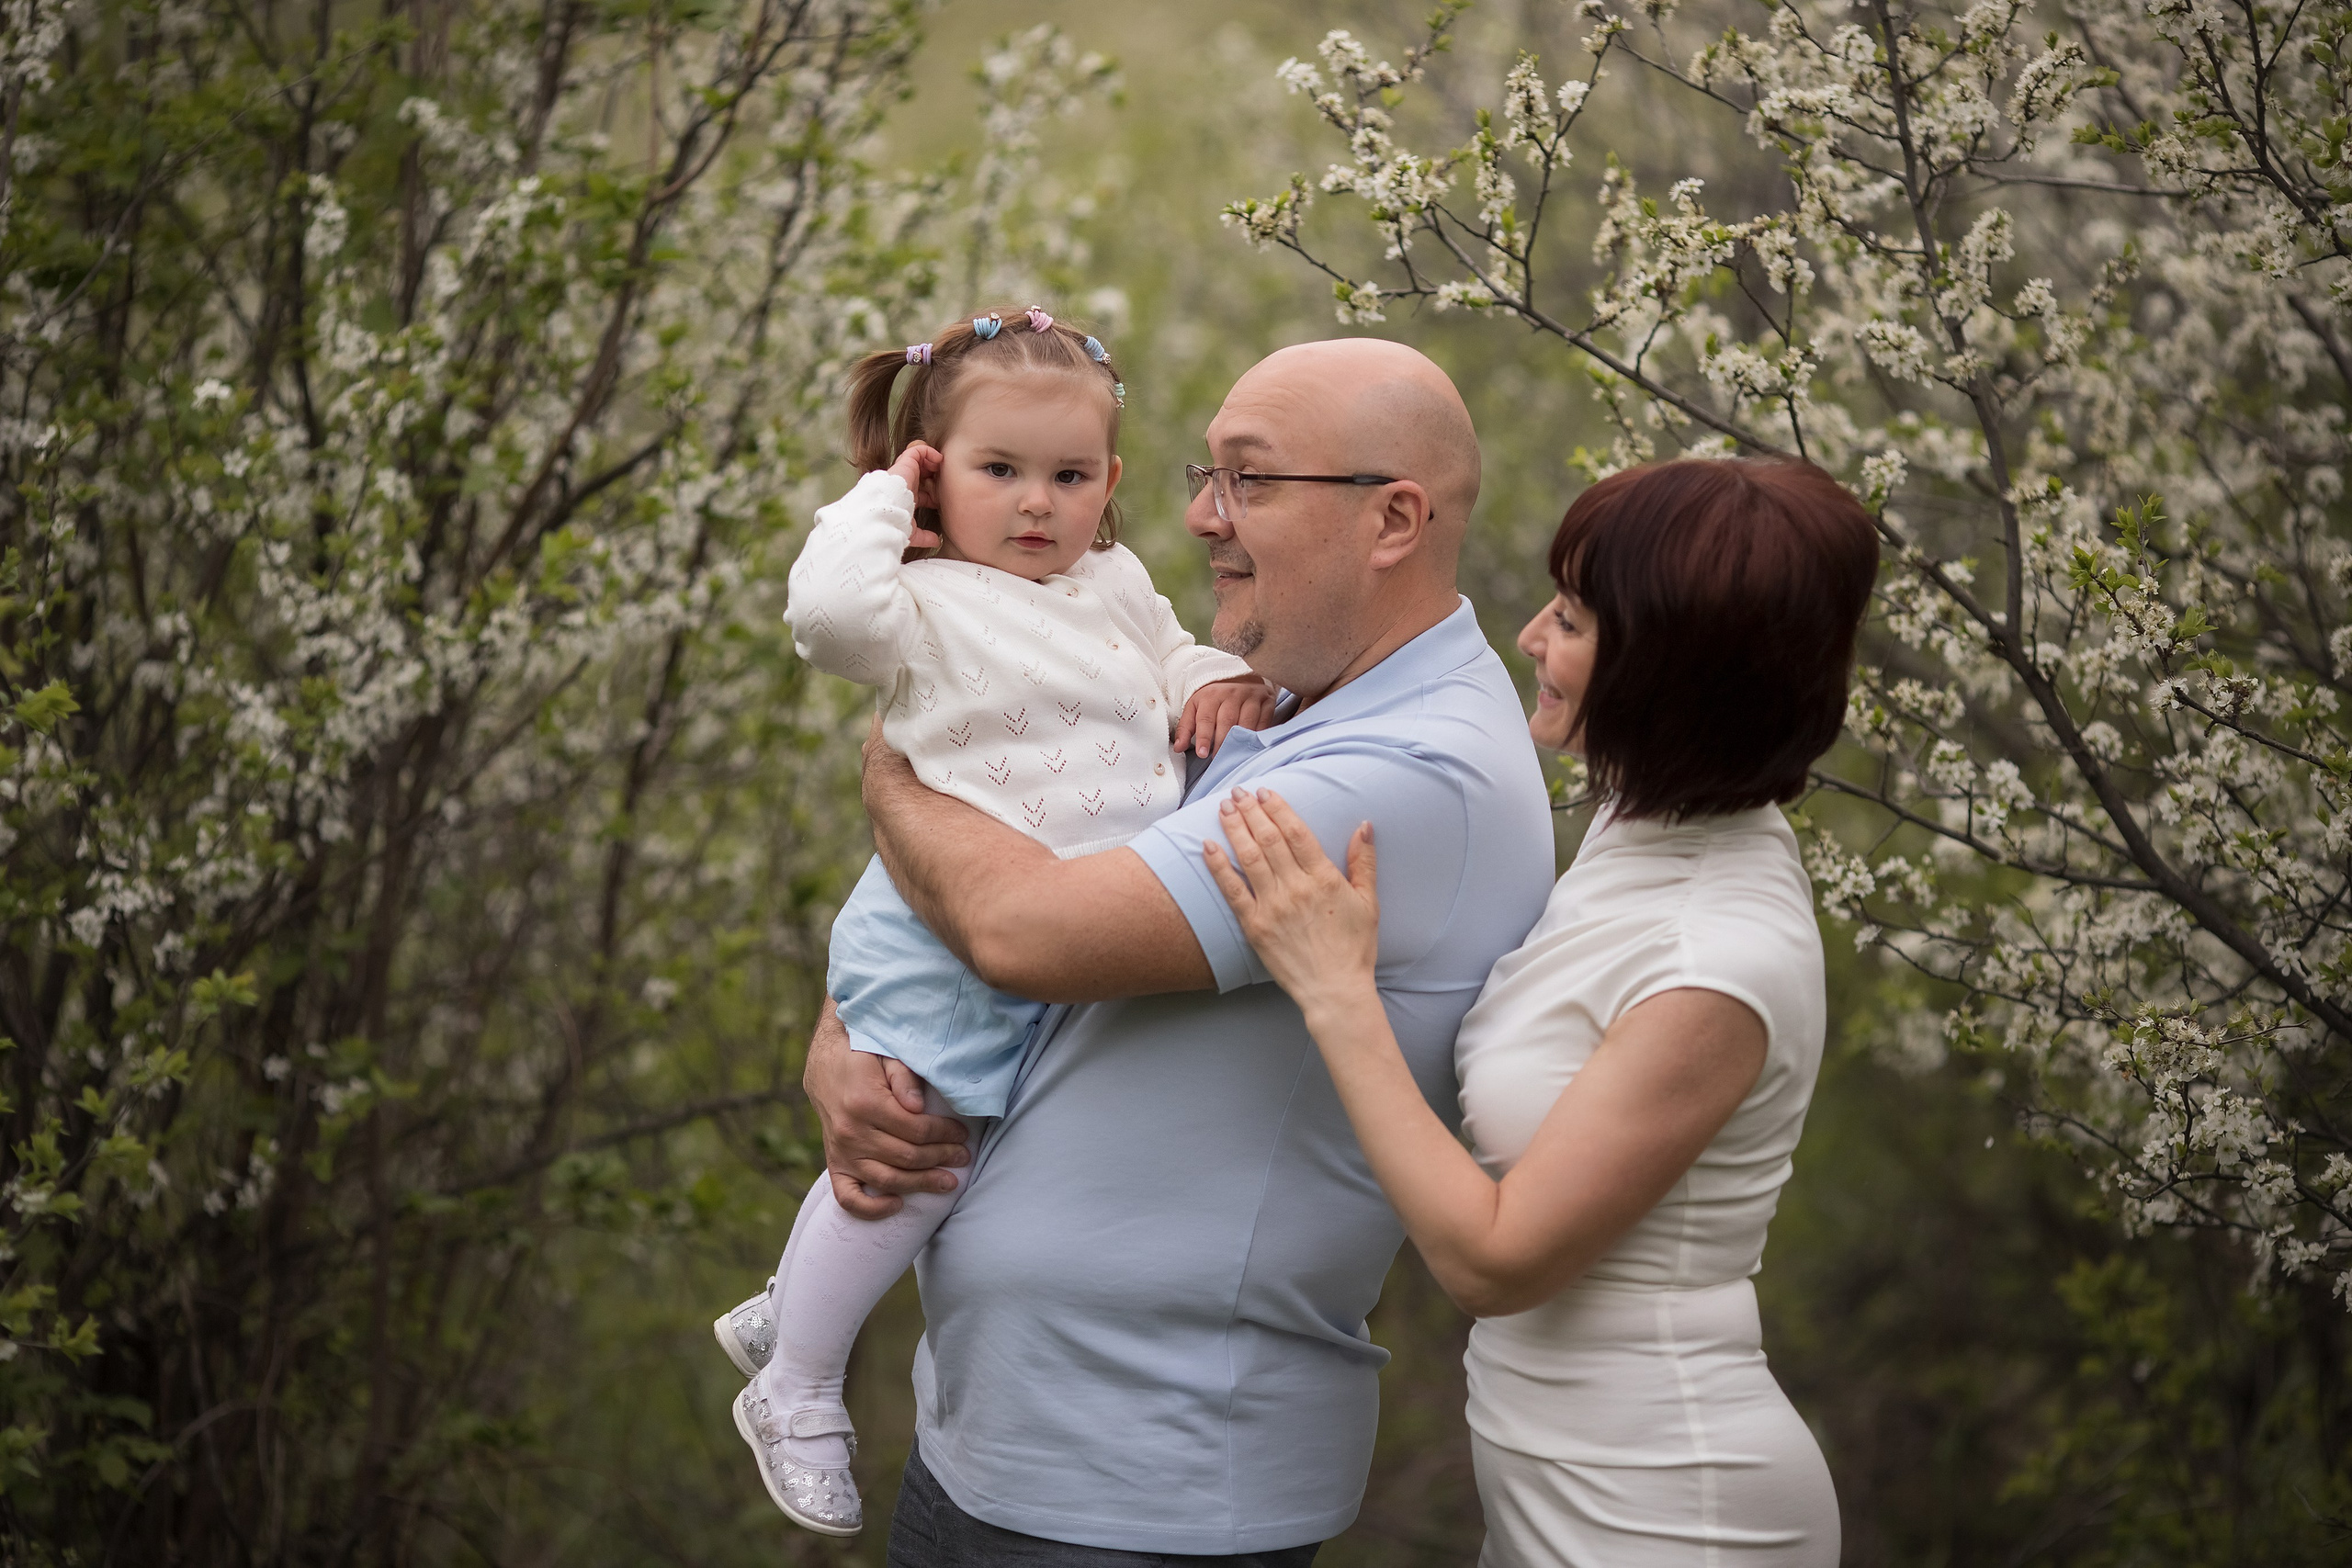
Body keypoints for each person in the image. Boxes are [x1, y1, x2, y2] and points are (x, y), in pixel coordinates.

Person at [803, 337, 1556, 1562]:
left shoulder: (1405, 773)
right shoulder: (1287, 692)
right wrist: (845, 1038)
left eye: (1248, 481)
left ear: (1393, 519)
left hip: (1147, 1489)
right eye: (1202, 473)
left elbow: (1013, 924)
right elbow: (989, 869)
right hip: (999, 1444)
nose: (1200, 515)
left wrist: (895, 761)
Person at [1202, 457, 1879, 1566]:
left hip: (1665, 1510)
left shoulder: (1714, 955)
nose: (1527, 636)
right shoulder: (1651, 821)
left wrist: (1337, 991)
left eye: (1569, 620)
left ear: (1672, 673)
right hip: (1556, 1480)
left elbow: (1495, 1261)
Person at [721, 305, 1277, 1536]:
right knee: (920, 1152)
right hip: (939, 931)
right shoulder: (922, 599)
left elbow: (1171, 654)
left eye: (1069, 476)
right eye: (998, 471)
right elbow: (824, 619)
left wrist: (1215, 686)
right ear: (935, 472)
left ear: (1112, 483)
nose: (1036, 503)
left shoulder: (1116, 582)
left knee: (969, 1145)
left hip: (1040, 932)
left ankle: (793, 1299)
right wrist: (884, 498)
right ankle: (798, 1381)